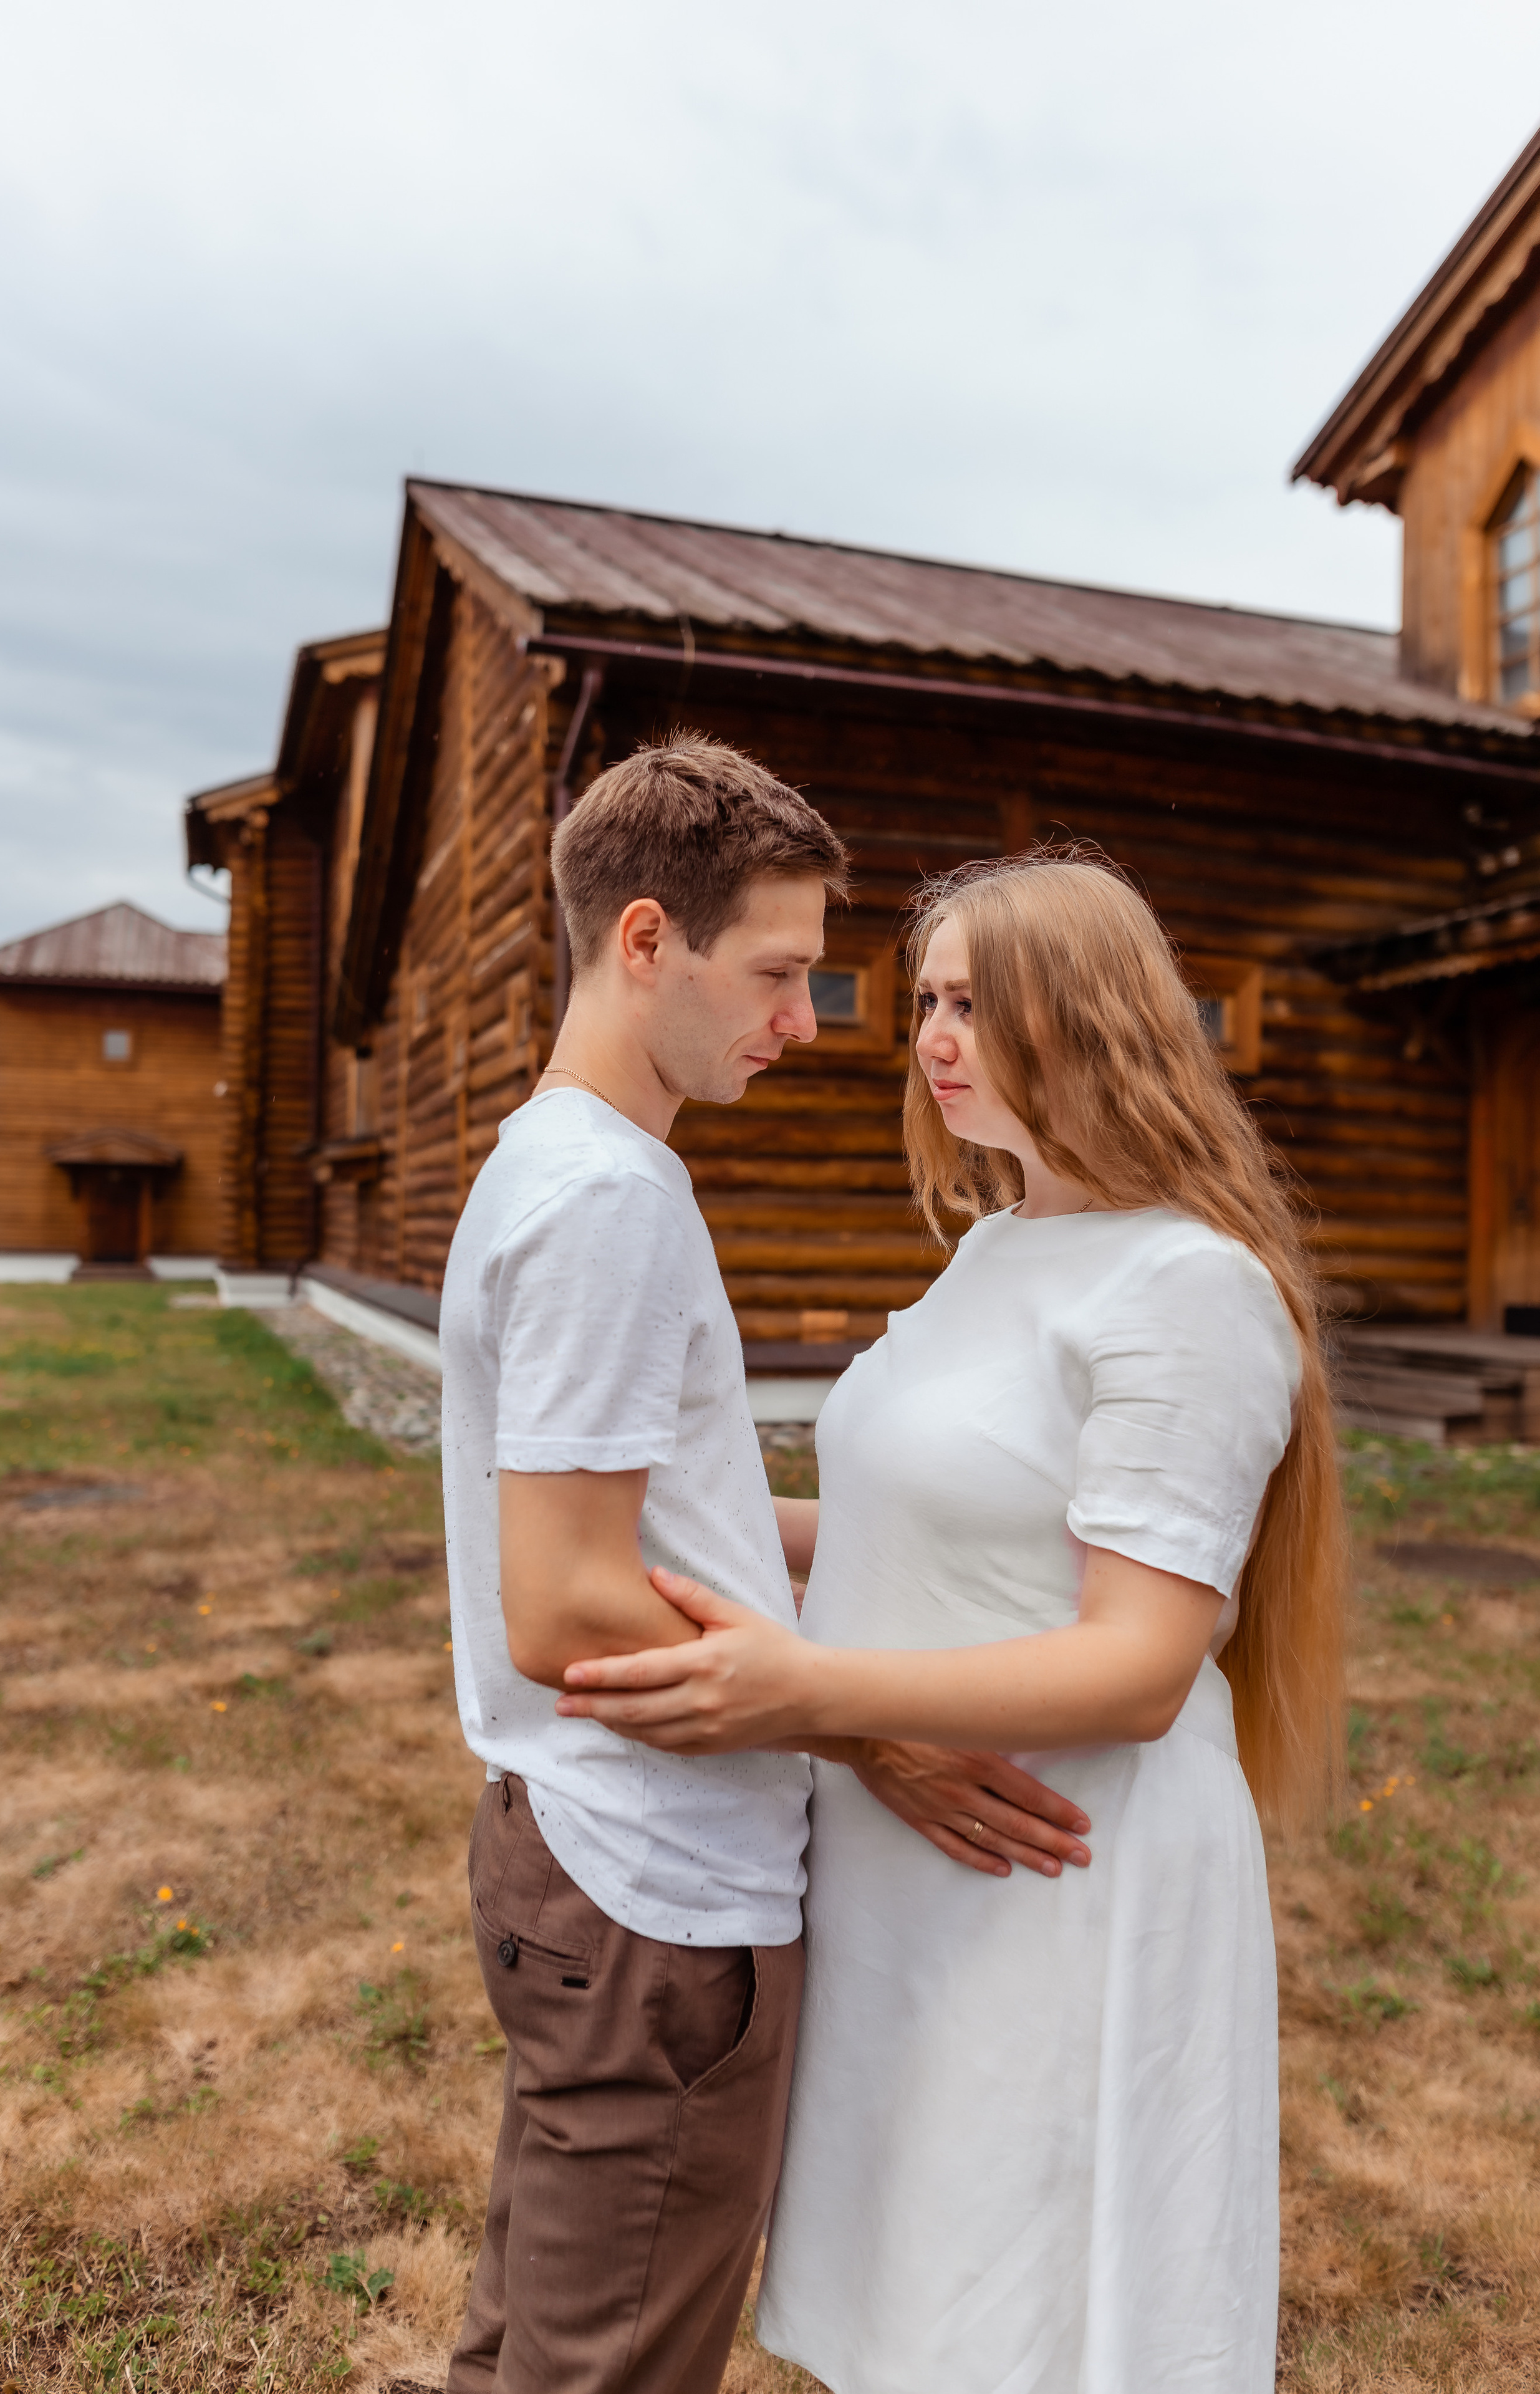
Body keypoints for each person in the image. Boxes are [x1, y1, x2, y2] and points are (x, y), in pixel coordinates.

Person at [557, 850, 1349, 2394]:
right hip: (913, 1872)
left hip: (1055, 1863)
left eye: (977, 1004)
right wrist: (635, 1517)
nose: (930, 1035)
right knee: (917, 2297)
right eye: (926, 999)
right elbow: (897, 1518)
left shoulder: (1190, 1289)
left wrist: (796, 1690)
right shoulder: (995, 1246)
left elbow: (1136, 1663)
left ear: (1093, 1020)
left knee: (1026, 2309)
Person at [440, 745, 1092, 2394]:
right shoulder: (610, 1202)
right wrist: (870, 1730)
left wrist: (948, 1539)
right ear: (646, 940)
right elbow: (566, 1606)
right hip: (653, 1891)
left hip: (578, 1860)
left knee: (532, 2337)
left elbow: (665, 1520)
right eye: (782, 973)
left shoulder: (559, 1160)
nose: (809, 1021)